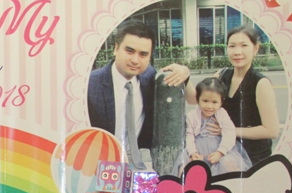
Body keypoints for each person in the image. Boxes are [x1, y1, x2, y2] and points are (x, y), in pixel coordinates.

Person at [88, 20, 194, 168]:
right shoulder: (91, 84)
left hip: (139, 162)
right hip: (100, 163)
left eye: (143, 54)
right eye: (129, 51)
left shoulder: (149, 76)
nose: (135, 60)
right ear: (116, 48)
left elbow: (193, 100)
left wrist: (185, 73)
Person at [214, 24, 280, 165]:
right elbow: (198, 99)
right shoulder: (221, 76)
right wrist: (184, 74)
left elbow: (272, 130)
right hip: (225, 153)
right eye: (232, 46)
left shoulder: (260, 83)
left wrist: (229, 130)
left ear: (256, 49)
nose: (237, 52)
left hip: (253, 159)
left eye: (244, 45)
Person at [173, 78, 252, 175]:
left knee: (230, 164)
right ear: (198, 99)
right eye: (205, 101)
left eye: (214, 102)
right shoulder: (191, 116)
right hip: (198, 149)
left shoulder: (222, 114)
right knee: (185, 167)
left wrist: (220, 152)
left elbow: (230, 133)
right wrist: (193, 152)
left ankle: (231, 183)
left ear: (221, 102)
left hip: (220, 147)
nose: (209, 106)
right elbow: (189, 135)